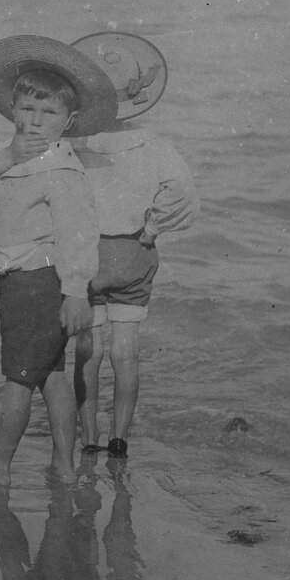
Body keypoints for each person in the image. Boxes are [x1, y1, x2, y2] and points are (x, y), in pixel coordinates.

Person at [0, 35, 117, 480]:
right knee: (51, 374)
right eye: (27, 109)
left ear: (68, 121)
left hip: (41, 284)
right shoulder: (12, 156)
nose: (35, 121)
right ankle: (65, 464)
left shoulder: (62, 170)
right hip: (23, 282)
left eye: (48, 113)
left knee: (18, 379)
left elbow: (78, 236)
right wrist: (5, 157)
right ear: (11, 109)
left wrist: (75, 293)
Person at [68, 32, 197, 458]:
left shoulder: (74, 143)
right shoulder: (153, 145)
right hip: (133, 254)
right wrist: (152, 231)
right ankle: (120, 439)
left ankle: (87, 439)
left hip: (86, 255)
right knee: (126, 352)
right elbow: (182, 194)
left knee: (88, 349)